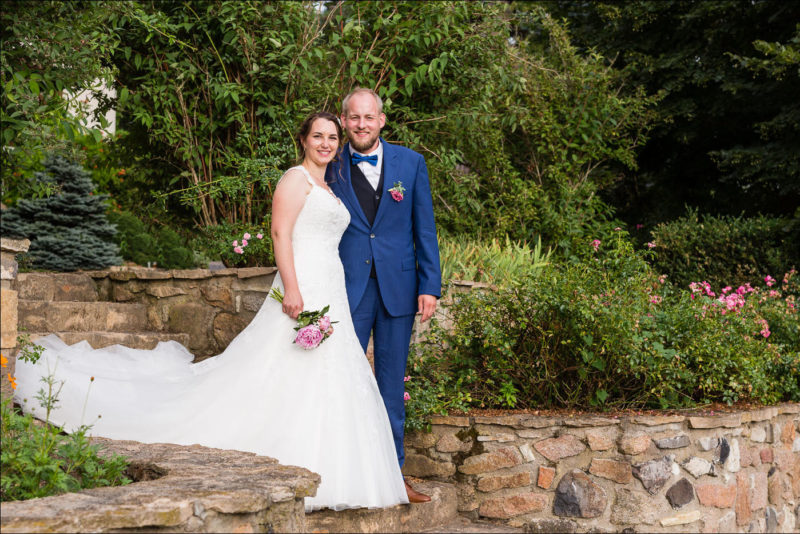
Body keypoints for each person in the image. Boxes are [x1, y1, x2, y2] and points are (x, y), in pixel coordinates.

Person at [13, 111, 409, 512]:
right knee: (283, 364)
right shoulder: (295, 179)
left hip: (331, 288)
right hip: (302, 286)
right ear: (303, 140)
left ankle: (337, 469)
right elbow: (279, 233)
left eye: (332, 137)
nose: (326, 143)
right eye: (318, 136)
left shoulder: (329, 184)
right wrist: (291, 288)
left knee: (326, 371)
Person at [327, 88, 441, 503]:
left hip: (400, 289)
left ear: (382, 120)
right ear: (343, 121)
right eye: (353, 118)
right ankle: (346, 473)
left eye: (368, 117)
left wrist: (430, 285)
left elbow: (423, 228)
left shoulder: (411, 164)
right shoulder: (329, 164)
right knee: (345, 382)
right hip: (346, 289)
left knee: (391, 385)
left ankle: (394, 476)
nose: (361, 124)